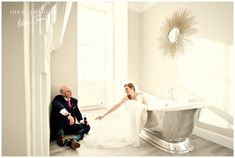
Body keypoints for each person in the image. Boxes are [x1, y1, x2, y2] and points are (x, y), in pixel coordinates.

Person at [82, 83, 148, 148]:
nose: (125, 91)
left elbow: (146, 105)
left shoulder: (140, 95)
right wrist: (103, 115)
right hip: (130, 117)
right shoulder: (126, 97)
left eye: (126, 89)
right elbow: (116, 106)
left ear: (132, 88)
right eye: (125, 89)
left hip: (137, 115)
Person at [50, 85, 90, 150]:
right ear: (63, 93)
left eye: (70, 90)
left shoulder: (74, 101)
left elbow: (77, 112)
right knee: (57, 111)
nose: (71, 92)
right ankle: (60, 136)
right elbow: (58, 105)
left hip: (69, 126)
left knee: (87, 126)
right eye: (68, 91)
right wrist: (68, 115)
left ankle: (74, 140)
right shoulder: (58, 98)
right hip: (60, 126)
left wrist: (81, 121)